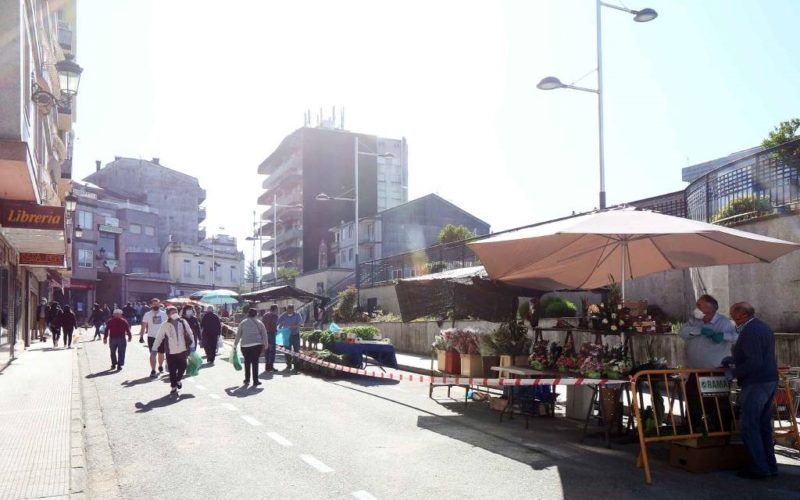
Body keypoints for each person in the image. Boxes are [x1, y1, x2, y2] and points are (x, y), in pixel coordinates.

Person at [729, 302, 779, 479]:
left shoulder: (750, 331)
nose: (731, 318)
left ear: (742, 315)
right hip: (768, 379)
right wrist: (734, 358)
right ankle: (770, 465)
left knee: (750, 425)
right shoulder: (763, 327)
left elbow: (754, 361)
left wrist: (734, 373)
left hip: (756, 382)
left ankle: (759, 466)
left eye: (733, 314)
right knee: (763, 425)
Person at [678, 294, 738, 430]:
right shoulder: (695, 320)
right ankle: (693, 430)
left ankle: (720, 432)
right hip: (695, 370)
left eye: (700, 305)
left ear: (711, 308)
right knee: (693, 401)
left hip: (715, 371)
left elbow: (736, 336)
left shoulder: (724, 322)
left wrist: (722, 336)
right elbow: (682, 332)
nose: (697, 308)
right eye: (697, 305)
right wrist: (699, 330)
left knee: (717, 403)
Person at [151, 306, 195, 394]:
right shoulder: (165, 325)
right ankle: (173, 386)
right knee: (172, 370)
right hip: (170, 352)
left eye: (176, 312)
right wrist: (154, 349)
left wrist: (192, 346)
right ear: (168, 315)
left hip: (182, 350)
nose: (175, 314)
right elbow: (159, 337)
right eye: (173, 312)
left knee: (183, 367)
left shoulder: (183, 322)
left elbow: (190, 333)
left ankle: (178, 380)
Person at [233, 308, 268, 387]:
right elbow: (264, 334)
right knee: (255, 362)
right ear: (256, 314)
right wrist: (266, 344)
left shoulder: (243, 322)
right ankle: (255, 381)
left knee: (247, 362)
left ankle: (247, 380)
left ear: (248, 314)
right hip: (257, 345)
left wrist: (235, 345)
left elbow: (238, 335)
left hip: (245, 346)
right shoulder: (259, 323)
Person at [139, 298, 168, 378]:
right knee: (153, 354)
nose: (156, 305)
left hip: (162, 337)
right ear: (151, 305)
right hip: (151, 337)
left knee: (161, 353)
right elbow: (143, 326)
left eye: (157, 304)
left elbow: (168, 325)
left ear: (159, 304)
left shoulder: (164, 314)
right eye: (154, 304)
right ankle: (153, 370)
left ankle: (160, 365)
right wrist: (141, 336)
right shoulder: (147, 314)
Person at [277, 304, 303, 372]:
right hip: (286, 335)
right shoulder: (284, 315)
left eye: (291, 310)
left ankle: (296, 366)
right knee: (287, 350)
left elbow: (300, 322)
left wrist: (296, 326)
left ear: (293, 310)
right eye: (288, 310)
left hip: (295, 334)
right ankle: (288, 364)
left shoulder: (297, 315)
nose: (289, 311)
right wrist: (279, 327)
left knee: (296, 350)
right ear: (287, 309)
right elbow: (278, 322)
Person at [262, 304, 279, 372]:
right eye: (277, 309)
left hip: (265, 334)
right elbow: (274, 324)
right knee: (272, 351)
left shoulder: (265, 315)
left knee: (267, 350)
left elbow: (262, 324)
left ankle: (267, 367)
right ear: (275, 309)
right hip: (271, 333)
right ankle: (271, 366)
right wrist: (276, 331)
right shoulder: (274, 315)